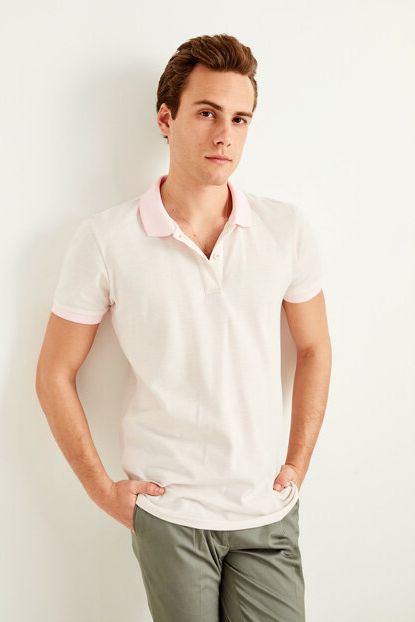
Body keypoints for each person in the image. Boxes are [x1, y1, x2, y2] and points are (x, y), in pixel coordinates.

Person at [36, 33, 332, 622]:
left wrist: (296, 466)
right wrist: (102, 490)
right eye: (206, 113)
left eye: (240, 118)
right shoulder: (105, 239)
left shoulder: (286, 229)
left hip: (266, 510)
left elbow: (314, 348)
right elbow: (54, 373)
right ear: (165, 119)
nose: (225, 134)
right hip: (170, 513)